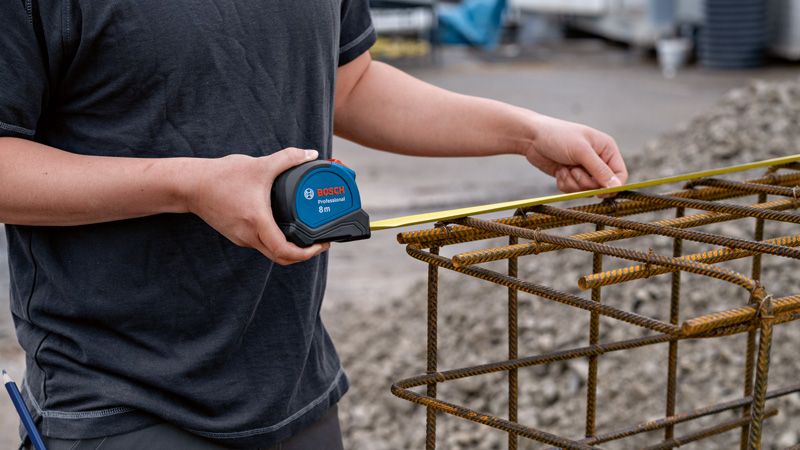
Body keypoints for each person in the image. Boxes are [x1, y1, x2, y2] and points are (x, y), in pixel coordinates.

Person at [0, 1, 627, 449]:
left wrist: (525, 131)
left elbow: (349, 85)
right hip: (122, 402)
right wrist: (186, 186)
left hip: (297, 389)